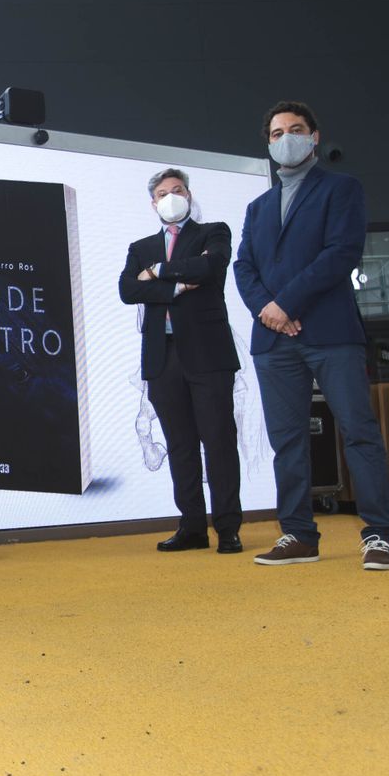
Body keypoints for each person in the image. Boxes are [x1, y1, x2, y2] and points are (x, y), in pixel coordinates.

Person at [234, 100, 389, 570]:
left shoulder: (341, 188)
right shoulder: (258, 207)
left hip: (330, 334)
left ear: (314, 137)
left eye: (295, 129)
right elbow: (244, 267)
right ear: (268, 143)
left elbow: (340, 253)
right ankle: (299, 535)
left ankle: (379, 535)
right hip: (273, 341)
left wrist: (286, 304)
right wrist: (269, 311)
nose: (286, 138)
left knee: (358, 432)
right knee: (287, 441)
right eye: (277, 133)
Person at [118, 168, 244, 554]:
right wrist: (178, 285)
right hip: (163, 356)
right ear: (152, 202)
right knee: (180, 444)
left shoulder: (213, 233)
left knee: (218, 442)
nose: (170, 197)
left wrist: (158, 273)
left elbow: (210, 267)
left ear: (189, 195)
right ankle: (192, 527)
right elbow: (127, 290)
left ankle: (228, 528)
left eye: (177, 190)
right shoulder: (140, 247)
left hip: (208, 354)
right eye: (162, 193)